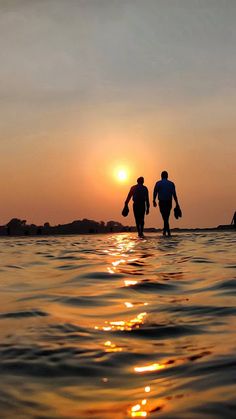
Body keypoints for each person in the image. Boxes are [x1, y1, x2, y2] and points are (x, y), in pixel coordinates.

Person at [153, 171, 179, 236]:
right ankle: (166, 232)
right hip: (169, 202)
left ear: (161, 176)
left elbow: (155, 192)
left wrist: (154, 200)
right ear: (167, 176)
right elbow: (174, 194)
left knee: (164, 217)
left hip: (162, 202)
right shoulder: (171, 183)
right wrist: (177, 203)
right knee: (166, 216)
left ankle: (167, 231)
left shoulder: (158, 183)